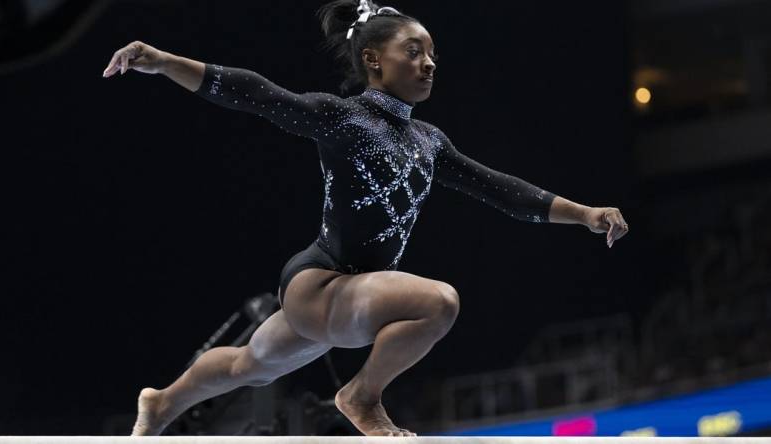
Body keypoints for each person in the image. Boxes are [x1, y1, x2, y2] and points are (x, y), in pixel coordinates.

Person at [102, 0, 629, 437]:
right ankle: (362, 397)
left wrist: (586, 214)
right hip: (322, 282)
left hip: (353, 298)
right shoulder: (342, 116)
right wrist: (164, 60)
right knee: (438, 302)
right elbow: (257, 94)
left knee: (250, 368)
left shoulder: (430, 142)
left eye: (433, 55)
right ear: (374, 60)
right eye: (414, 51)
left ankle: (162, 402)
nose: (429, 63)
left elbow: (502, 190)